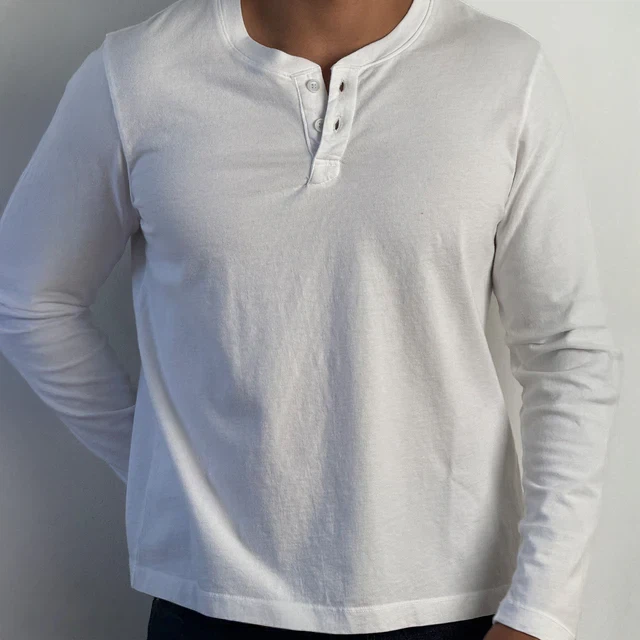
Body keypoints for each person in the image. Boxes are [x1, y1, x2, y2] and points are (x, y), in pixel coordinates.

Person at [0, 0, 623, 639]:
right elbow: (27, 298)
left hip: (454, 601)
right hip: (213, 604)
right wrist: (163, 472)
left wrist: (540, 611)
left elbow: (566, 350)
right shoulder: (136, 75)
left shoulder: (503, 72)